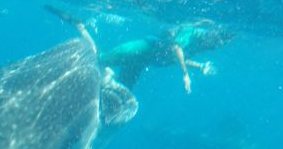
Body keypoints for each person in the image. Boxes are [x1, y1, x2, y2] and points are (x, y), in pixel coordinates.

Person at [45, 6, 232, 93]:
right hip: (141, 49)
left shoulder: (198, 46)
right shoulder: (191, 31)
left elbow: (177, 56)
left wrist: (198, 67)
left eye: (218, 45)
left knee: (121, 91)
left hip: (143, 61)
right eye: (216, 41)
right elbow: (176, 48)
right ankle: (80, 26)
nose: (215, 45)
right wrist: (185, 74)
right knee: (97, 58)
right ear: (212, 34)